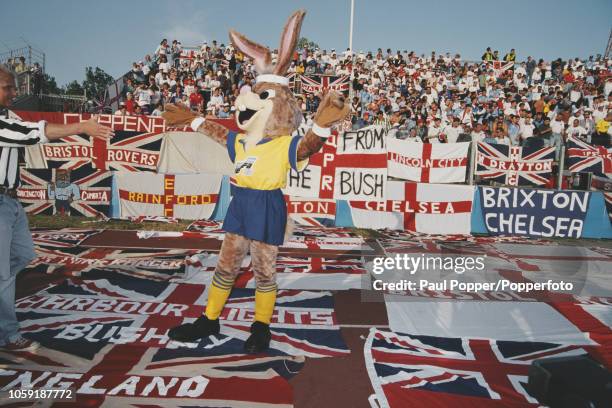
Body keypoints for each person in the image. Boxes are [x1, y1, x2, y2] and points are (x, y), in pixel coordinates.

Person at [0, 65, 113, 351]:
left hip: (10, 200)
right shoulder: (6, 122)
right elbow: (30, 133)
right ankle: (8, 335)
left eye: (14, 87)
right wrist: (82, 126)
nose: (13, 92)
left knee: (23, 255)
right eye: (7, 87)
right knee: (3, 272)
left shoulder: (7, 115)